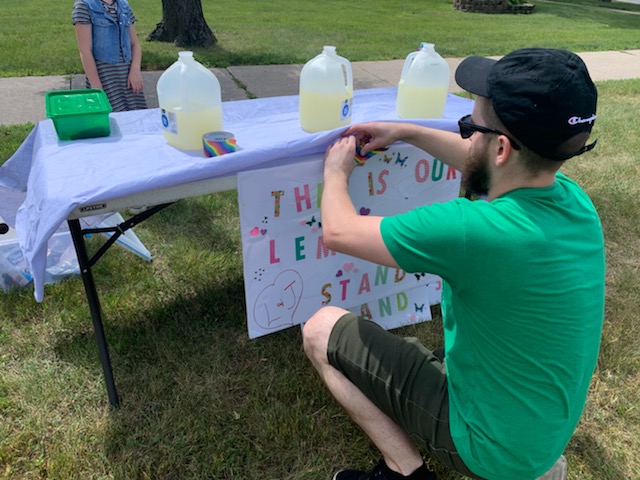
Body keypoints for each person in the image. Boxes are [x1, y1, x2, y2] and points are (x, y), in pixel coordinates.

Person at [302, 48, 605, 480]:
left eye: (470, 126)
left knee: (319, 330)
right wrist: (407, 131)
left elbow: (338, 231)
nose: (466, 137)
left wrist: (336, 171)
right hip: (540, 437)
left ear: (501, 148)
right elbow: (483, 159)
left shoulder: (471, 231)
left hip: (490, 452)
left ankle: (405, 472)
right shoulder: (574, 202)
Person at [72, 0, 147, 111]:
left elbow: (135, 44)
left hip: (129, 81)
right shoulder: (84, 6)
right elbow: (85, 51)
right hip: (105, 81)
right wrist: (96, 87)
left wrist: (135, 70)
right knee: (110, 123)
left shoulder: (124, 6)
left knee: (136, 122)